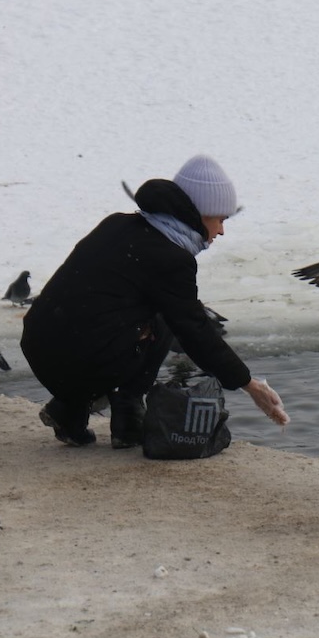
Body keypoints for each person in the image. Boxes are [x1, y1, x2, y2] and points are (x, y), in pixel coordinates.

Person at [20, 154, 288, 448]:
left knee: (123, 319)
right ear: (201, 213)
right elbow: (195, 331)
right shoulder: (171, 259)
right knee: (165, 320)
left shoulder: (118, 224)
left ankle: (68, 412)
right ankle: (127, 418)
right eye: (221, 219)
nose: (222, 230)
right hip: (78, 361)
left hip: (39, 348)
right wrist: (249, 384)